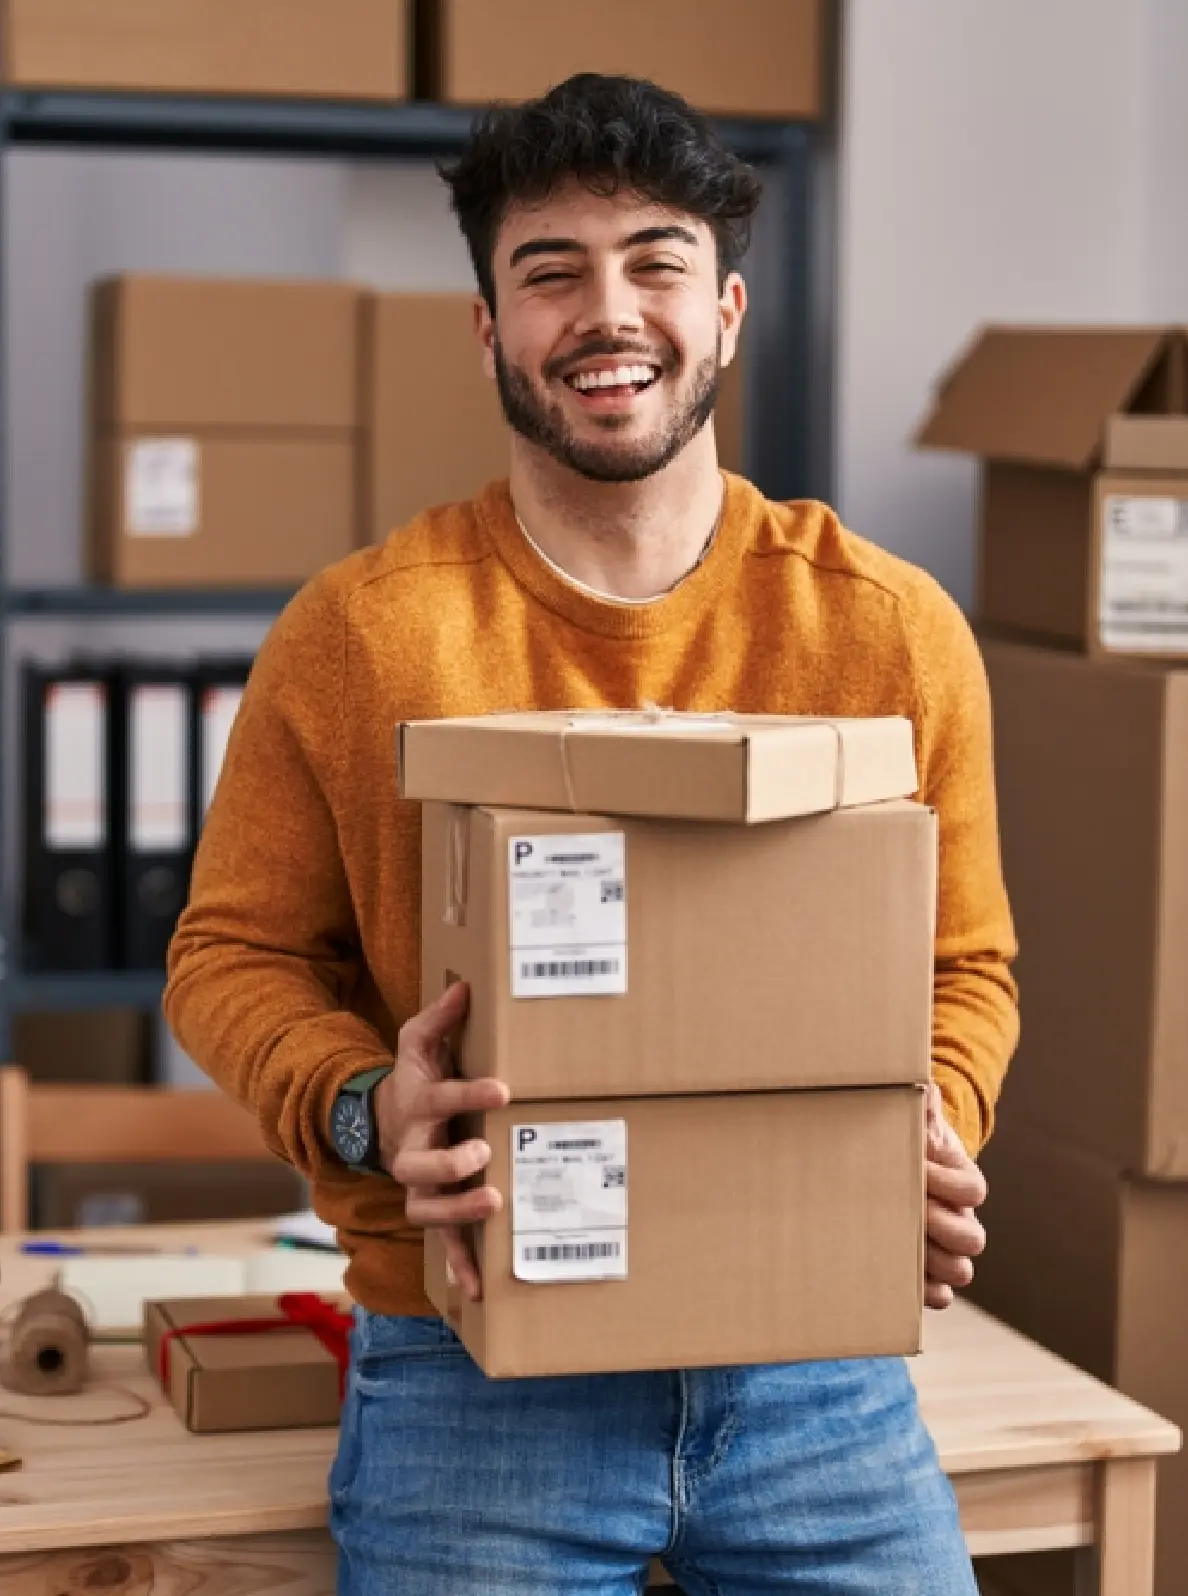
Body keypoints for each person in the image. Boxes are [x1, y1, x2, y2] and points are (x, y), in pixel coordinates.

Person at [164, 72, 1018, 1596]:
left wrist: (929, 1119)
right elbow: (228, 955)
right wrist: (367, 1109)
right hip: (468, 1368)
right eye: (549, 272)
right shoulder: (365, 635)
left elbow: (968, 966)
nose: (606, 312)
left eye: (654, 264)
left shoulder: (886, 631)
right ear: (489, 329)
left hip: (813, 1369)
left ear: (730, 310)